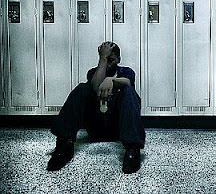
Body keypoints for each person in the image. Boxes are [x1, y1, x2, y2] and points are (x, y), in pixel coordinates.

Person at [47, 42, 145, 174]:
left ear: (119, 59)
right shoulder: (94, 72)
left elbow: (128, 82)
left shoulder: (126, 71)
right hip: (95, 128)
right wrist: (102, 59)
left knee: (128, 91)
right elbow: (95, 87)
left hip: (119, 130)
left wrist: (112, 80)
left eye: (111, 60)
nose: (109, 64)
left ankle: (133, 149)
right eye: (105, 59)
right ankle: (64, 145)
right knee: (82, 88)